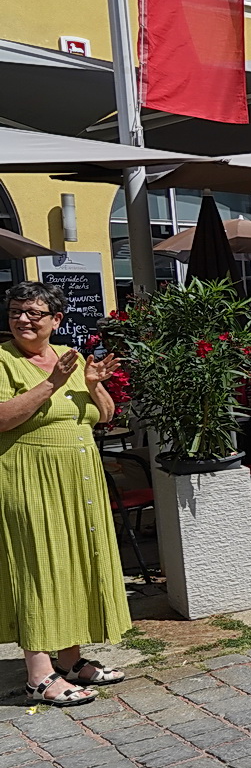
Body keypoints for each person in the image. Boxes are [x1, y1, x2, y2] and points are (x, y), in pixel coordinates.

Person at [0, 283, 130, 706]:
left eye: (35, 313)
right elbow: (3, 419)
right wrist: (51, 385)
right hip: (28, 476)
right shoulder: (3, 360)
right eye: (17, 311)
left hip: (78, 478)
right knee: (39, 565)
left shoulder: (69, 359)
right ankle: (39, 674)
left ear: (56, 321)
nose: (23, 319)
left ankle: (71, 661)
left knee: (75, 561)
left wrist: (92, 384)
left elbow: (104, 415)